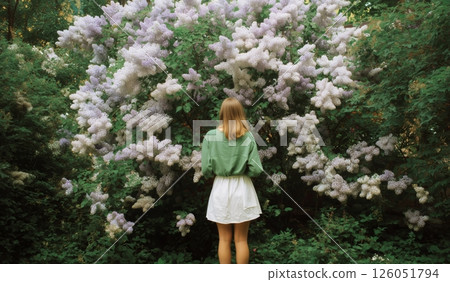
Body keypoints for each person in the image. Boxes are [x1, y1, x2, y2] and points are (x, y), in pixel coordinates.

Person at [201, 97, 263, 264]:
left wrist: (215, 172)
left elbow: (206, 169)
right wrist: (243, 170)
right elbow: (257, 169)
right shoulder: (248, 136)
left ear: (222, 113)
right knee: (241, 240)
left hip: (220, 187)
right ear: (240, 113)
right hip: (242, 187)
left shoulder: (210, 136)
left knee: (224, 239)